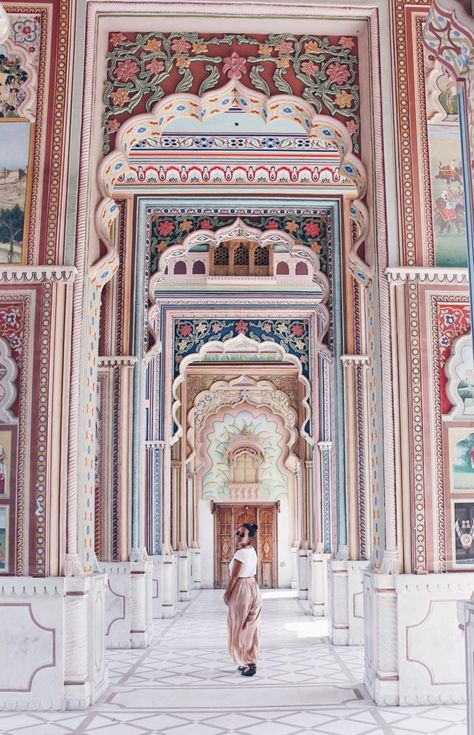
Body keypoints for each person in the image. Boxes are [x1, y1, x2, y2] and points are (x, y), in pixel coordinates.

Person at [224, 522, 262, 677]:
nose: (238, 537)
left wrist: (227, 594)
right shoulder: (251, 551)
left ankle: (246, 661)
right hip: (254, 587)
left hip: (241, 589)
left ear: (250, 538)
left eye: (242, 534)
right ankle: (249, 660)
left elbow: (234, 578)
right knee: (252, 627)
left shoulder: (240, 554)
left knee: (239, 627)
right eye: (237, 533)